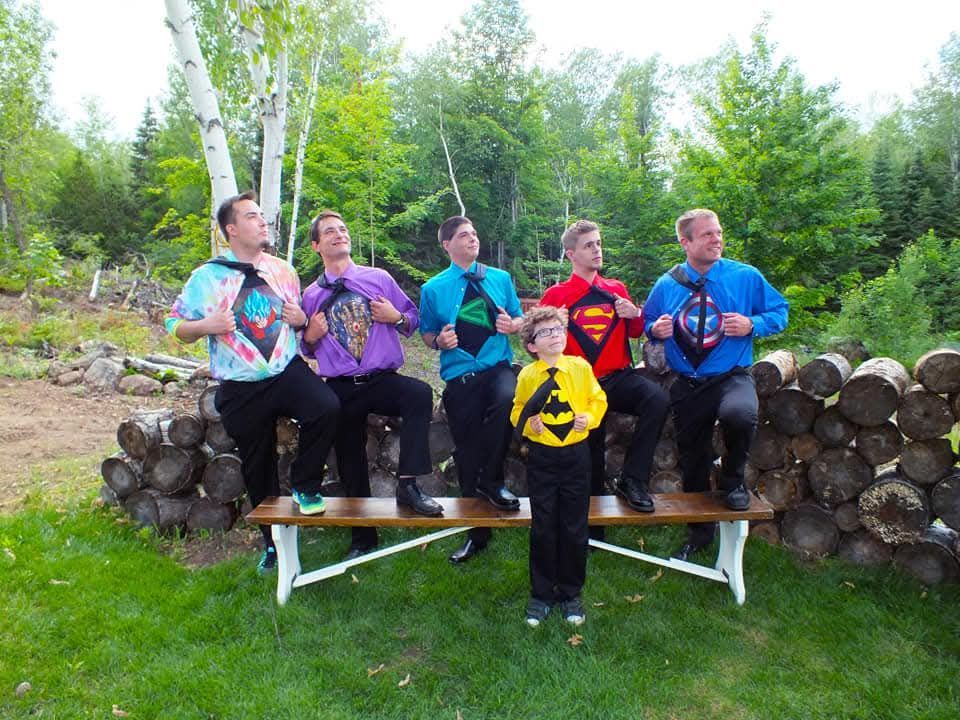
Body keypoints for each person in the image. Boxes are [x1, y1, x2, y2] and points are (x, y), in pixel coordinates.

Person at [165, 191, 340, 573]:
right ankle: (273, 545)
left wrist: (298, 319)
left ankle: (305, 484)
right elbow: (173, 323)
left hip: (285, 371)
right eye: (252, 216)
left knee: (327, 408)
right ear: (231, 228)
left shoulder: (283, 270)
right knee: (257, 468)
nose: (262, 221)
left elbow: (298, 321)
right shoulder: (207, 277)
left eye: (262, 215)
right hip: (241, 386)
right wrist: (203, 326)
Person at [644, 208, 788, 561]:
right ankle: (699, 533)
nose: (717, 239)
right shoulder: (667, 283)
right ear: (686, 242)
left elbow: (780, 312)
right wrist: (655, 330)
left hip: (731, 376)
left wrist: (753, 324)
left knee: (740, 415)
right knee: (693, 459)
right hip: (688, 383)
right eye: (707, 234)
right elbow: (648, 321)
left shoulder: (745, 276)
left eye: (718, 232)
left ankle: (734, 481)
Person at [300, 210, 443, 560]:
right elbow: (303, 347)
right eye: (330, 232)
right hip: (340, 385)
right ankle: (363, 537)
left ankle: (408, 485)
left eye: (344, 229)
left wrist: (395, 317)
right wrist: (310, 336)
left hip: (381, 380)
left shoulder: (378, 278)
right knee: (350, 455)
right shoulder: (311, 295)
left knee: (419, 393)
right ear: (317, 245)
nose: (339, 235)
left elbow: (413, 319)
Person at [540, 219, 670, 538]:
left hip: (618, 378)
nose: (597, 250)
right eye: (589, 245)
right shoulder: (557, 294)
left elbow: (638, 332)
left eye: (599, 243)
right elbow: (535, 347)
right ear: (571, 254)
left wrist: (634, 314)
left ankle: (632, 479)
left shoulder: (616, 288)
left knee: (657, 399)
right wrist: (556, 327)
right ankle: (592, 527)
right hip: (578, 387)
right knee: (590, 451)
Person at [419, 215, 524, 564]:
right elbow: (427, 334)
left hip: (498, 368)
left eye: (475, 233)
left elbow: (521, 318)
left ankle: (493, 482)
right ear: (447, 245)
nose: (472, 239)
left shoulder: (500, 278)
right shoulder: (433, 289)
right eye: (464, 235)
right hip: (461, 376)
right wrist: (439, 341)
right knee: (465, 456)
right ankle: (476, 535)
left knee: (508, 398)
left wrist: (513, 324)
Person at [511, 306, 607, 627]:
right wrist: (528, 425)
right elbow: (518, 410)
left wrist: (589, 418)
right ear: (531, 345)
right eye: (545, 333)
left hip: (576, 457)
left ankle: (570, 593)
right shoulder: (527, 376)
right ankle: (541, 595)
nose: (554, 336)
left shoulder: (580, 368)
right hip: (542, 459)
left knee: (574, 525)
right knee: (543, 524)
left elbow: (598, 400)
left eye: (558, 330)